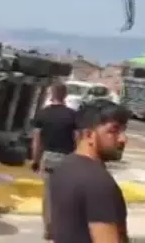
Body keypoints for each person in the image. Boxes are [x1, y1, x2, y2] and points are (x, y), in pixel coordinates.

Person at [50, 99, 130, 243]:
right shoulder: (99, 182)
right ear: (88, 135)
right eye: (113, 131)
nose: (123, 139)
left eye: (123, 131)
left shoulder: (63, 167)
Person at [31, 82, 78, 240]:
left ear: (52, 94)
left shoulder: (43, 114)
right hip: (68, 158)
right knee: (67, 194)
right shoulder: (72, 115)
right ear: (65, 95)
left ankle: (49, 229)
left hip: (49, 157)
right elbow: (77, 138)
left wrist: (35, 160)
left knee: (49, 195)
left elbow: (37, 141)